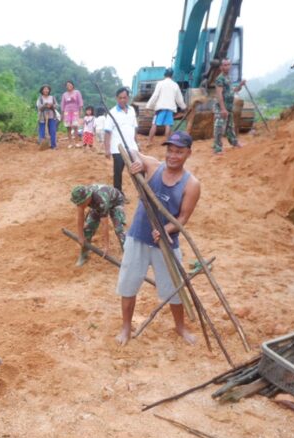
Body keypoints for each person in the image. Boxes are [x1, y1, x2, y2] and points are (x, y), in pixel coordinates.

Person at [115, 131, 201, 346]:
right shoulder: (154, 166)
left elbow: (183, 217)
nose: (172, 156)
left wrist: (167, 229)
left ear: (188, 153)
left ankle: (180, 327)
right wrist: (136, 164)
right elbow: (131, 151)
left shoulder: (191, 184)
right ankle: (126, 327)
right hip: (137, 237)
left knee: (174, 286)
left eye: (179, 152)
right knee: (129, 283)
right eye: (170, 151)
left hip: (166, 243)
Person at [70, 184, 127, 267]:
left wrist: (106, 246)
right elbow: (80, 217)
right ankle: (84, 255)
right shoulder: (81, 200)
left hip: (115, 202)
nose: (80, 206)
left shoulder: (100, 201)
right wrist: (80, 236)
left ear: (87, 198)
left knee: (119, 230)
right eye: (78, 204)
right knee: (88, 228)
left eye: (81, 203)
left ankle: (128, 255)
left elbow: (105, 224)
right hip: (97, 205)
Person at [103, 87, 138, 199]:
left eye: (125, 97)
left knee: (138, 169)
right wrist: (107, 149)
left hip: (132, 147)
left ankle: (142, 192)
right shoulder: (112, 113)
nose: (123, 100)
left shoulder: (132, 110)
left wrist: (137, 143)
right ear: (116, 98)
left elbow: (134, 128)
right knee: (118, 172)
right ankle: (118, 195)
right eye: (120, 98)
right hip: (117, 148)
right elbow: (107, 132)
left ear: (128, 98)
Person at [213, 58, 246, 155]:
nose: (227, 66)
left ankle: (234, 142)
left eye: (228, 64)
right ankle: (217, 148)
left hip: (229, 106)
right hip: (221, 107)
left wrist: (240, 85)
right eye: (225, 65)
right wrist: (223, 109)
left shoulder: (228, 77)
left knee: (230, 127)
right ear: (221, 67)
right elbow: (219, 94)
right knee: (219, 127)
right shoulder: (220, 79)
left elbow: (233, 90)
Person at [146, 68, 186, 146]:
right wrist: (184, 107)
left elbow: (155, 96)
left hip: (160, 108)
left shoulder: (160, 83)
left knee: (154, 124)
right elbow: (179, 99)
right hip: (170, 109)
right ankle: (168, 141)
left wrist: (148, 106)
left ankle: (149, 141)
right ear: (172, 75)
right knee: (168, 125)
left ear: (164, 75)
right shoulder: (175, 85)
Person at [61, 80, 84, 148]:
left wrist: (81, 110)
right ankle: (70, 143)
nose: (69, 86)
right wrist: (62, 113)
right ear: (66, 87)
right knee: (68, 128)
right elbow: (63, 104)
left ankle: (76, 142)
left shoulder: (77, 92)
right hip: (67, 111)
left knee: (75, 127)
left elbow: (80, 101)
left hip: (75, 111)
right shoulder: (64, 94)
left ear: (73, 85)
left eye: (70, 84)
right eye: (67, 85)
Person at [36, 84, 59, 149]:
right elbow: (39, 107)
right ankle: (42, 145)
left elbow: (56, 106)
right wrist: (45, 105)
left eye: (47, 89)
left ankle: (53, 145)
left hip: (52, 116)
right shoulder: (40, 98)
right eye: (45, 89)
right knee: (42, 131)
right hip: (42, 117)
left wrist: (51, 106)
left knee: (52, 131)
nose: (46, 90)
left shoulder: (52, 97)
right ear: (42, 90)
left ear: (49, 90)